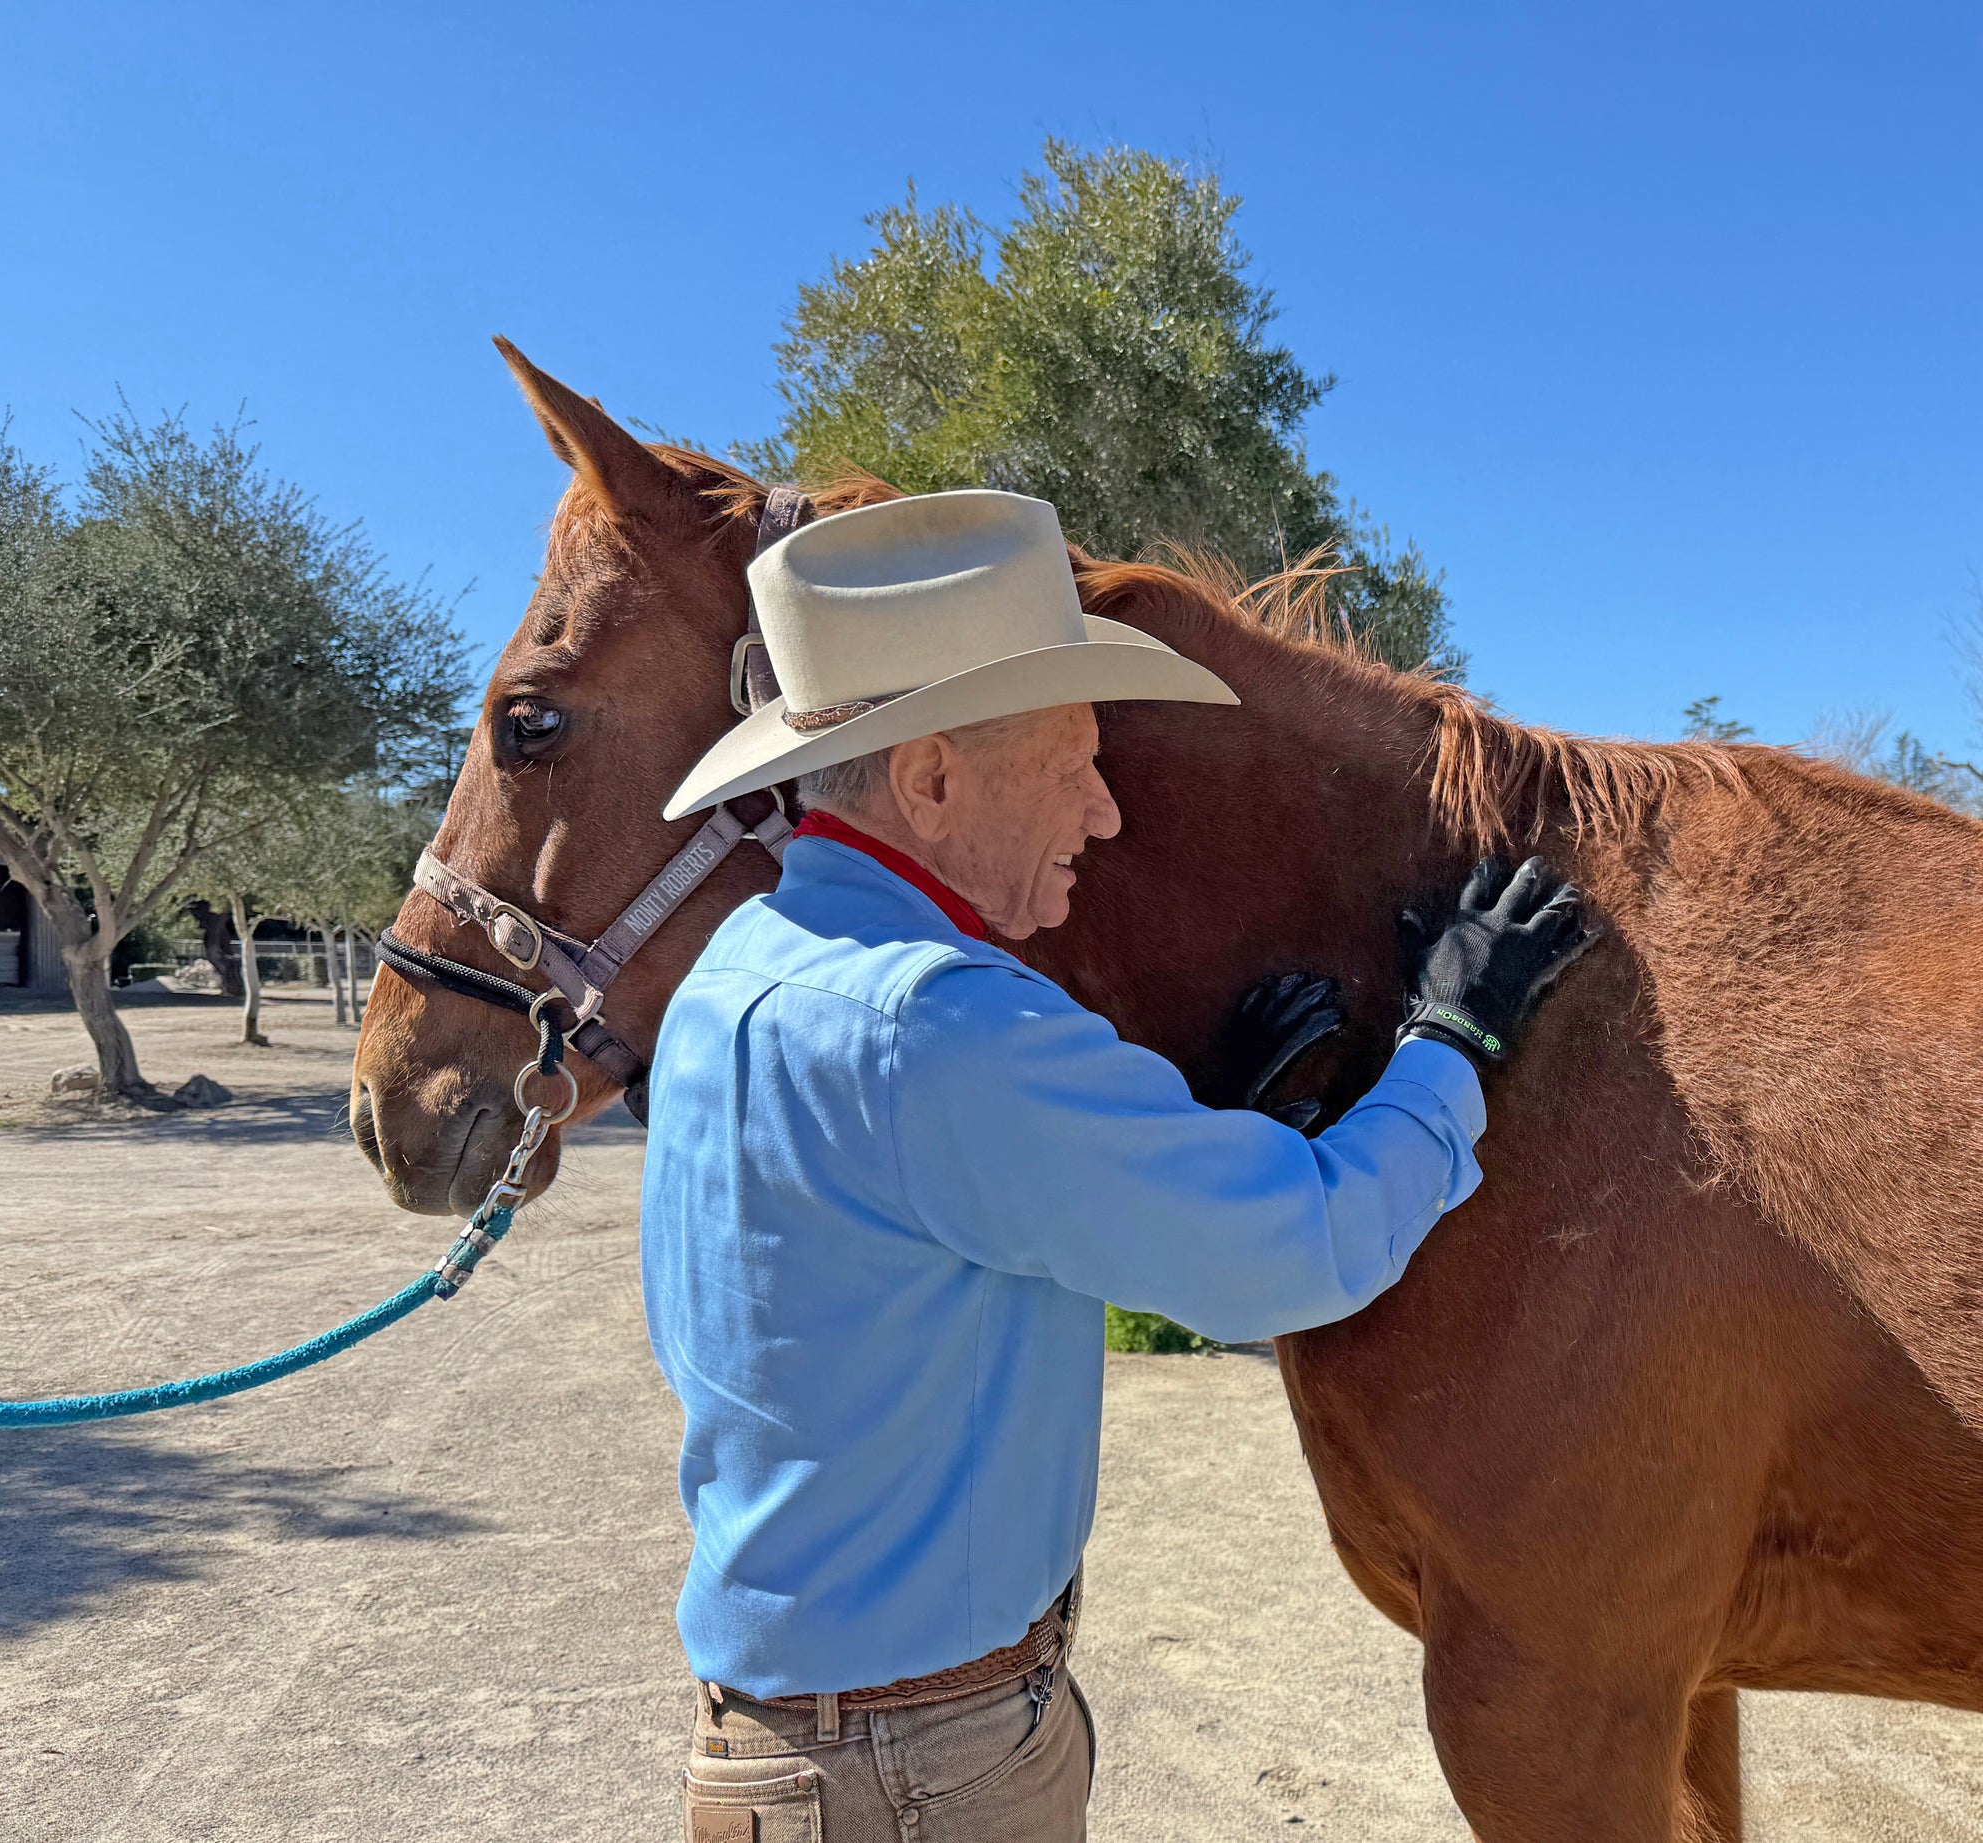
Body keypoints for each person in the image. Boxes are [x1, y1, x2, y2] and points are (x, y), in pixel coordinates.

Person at [645, 490, 1590, 1843]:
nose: (1101, 813)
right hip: (917, 1773)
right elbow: (1301, 1255)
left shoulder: (744, 971)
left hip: (823, 1739)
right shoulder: (940, 1028)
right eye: (1074, 762)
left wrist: (1217, 1133)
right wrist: (1452, 1040)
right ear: (931, 781)